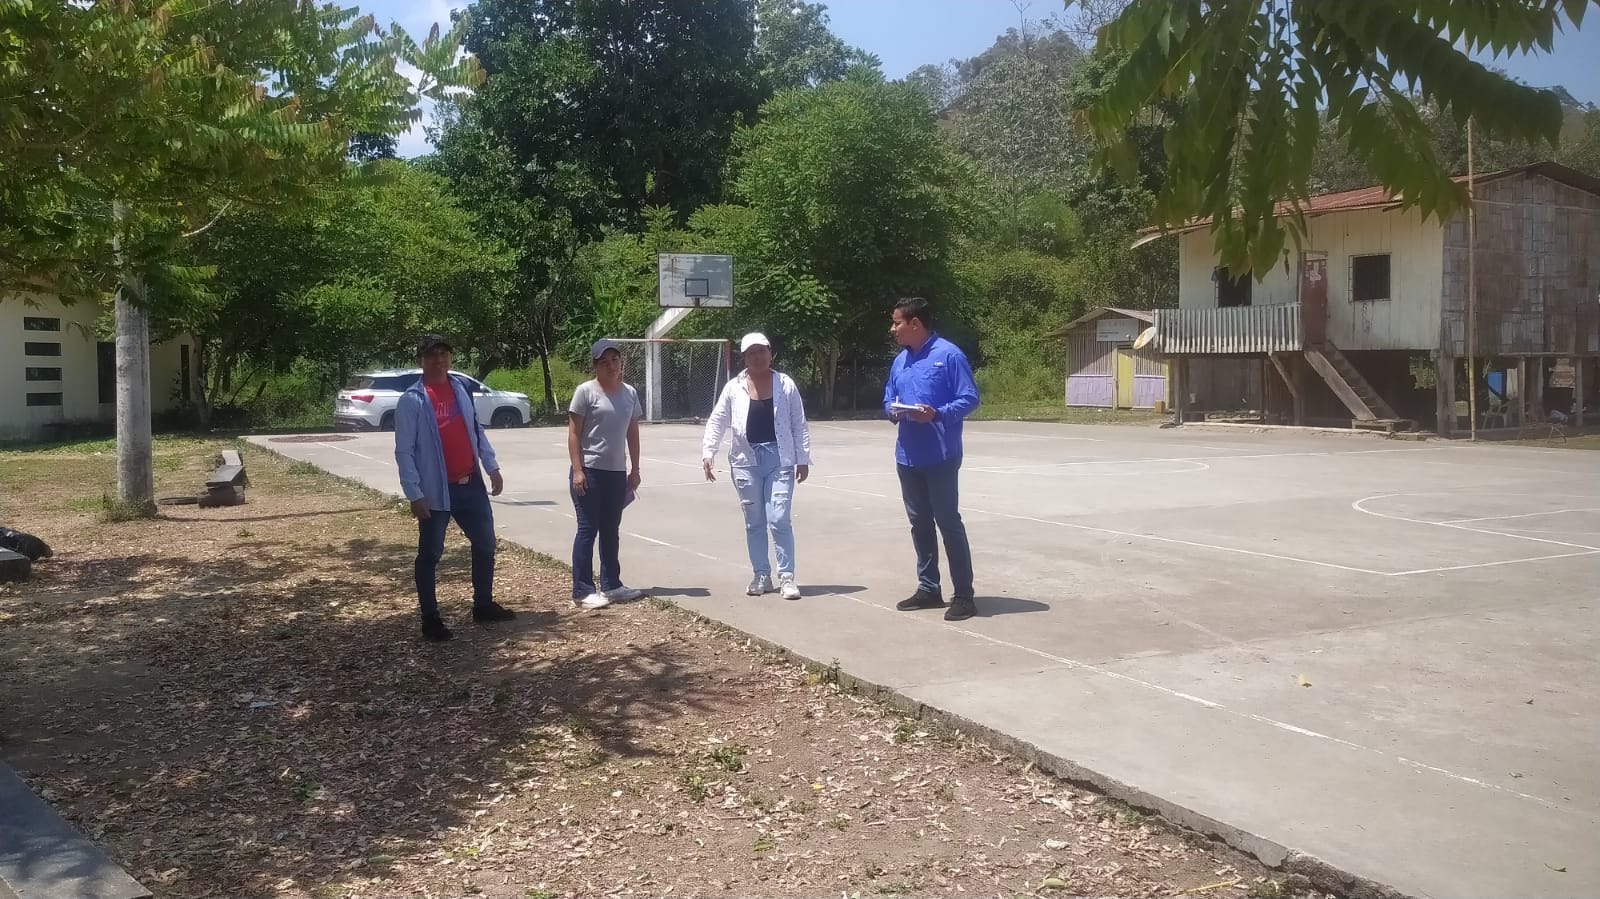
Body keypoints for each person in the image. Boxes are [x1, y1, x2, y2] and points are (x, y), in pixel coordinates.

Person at [394, 334, 517, 642]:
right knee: (430, 555)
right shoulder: (412, 400)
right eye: (431, 355)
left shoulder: (460, 388)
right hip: (437, 491)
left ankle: (483, 605)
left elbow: (476, 430)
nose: (439, 360)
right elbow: (404, 451)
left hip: (470, 484)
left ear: (451, 357)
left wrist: (491, 466)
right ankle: (431, 620)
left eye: (443, 354)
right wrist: (414, 493)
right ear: (421, 360)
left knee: (486, 544)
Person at [883, 297, 981, 621]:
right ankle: (929, 589)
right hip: (907, 456)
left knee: (948, 523)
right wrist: (893, 411)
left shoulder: (949, 355)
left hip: (941, 456)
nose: (893, 328)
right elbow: (888, 398)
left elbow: (970, 398)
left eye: (897, 322)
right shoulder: (900, 361)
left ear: (915, 324)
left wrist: (937, 414)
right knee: (920, 524)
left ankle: (964, 596)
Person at [701, 332, 813, 600]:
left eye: (762, 351)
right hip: (745, 461)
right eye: (752, 353)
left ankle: (787, 577)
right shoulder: (734, 387)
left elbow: (798, 423)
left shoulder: (785, 384)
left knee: (779, 518)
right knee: (755, 522)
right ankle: (761, 574)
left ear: (770, 353)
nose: (758, 357)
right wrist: (708, 452)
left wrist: (803, 458)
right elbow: (718, 420)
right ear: (744, 358)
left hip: (780, 459)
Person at [567, 338, 647, 609]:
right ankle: (582, 590)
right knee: (587, 529)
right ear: (596, 365)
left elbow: (632, 433)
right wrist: (578, 470)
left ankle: (612, 585)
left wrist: (635, 469)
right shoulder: (585, 392)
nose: (611, 365)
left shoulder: (630, 393)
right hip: (589, 471)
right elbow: (574, 433)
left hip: (616, 472)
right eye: (604, 361)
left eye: (615, 360)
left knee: (611, 530)